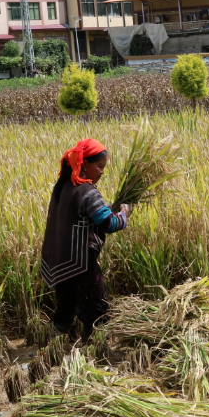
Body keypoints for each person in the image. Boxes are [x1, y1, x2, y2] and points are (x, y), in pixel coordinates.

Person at [41, 138, 131, 342]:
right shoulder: (88, 191)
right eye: (99, 166)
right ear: (84, 164)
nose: (102, 172)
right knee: (97, 312)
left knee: (66, 310)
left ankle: (56, 344)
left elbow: (83, 215)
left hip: (58, 261)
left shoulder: (64, 185)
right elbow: (108, 223)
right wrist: (124, 213)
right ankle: (97, 350)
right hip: (79, 262)